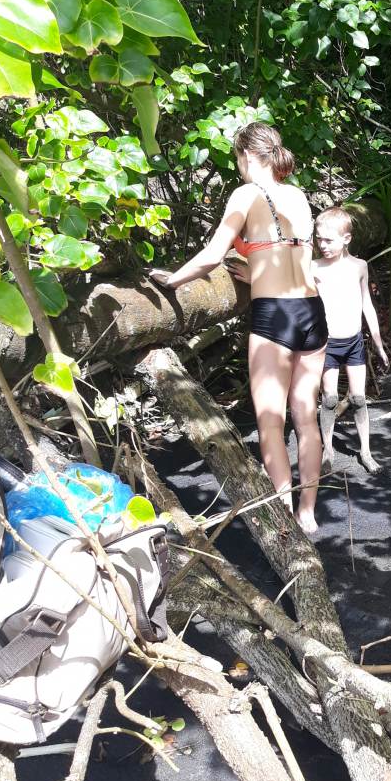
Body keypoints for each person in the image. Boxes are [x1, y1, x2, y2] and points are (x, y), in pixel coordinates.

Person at [146, 123, 326, 533]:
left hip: (275, 316)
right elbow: (286, 249)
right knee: (306, 418)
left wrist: (173, 280)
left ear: (246, 156)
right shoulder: (297, 195)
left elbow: (213, 254)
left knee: (270, 421)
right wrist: (256, 268)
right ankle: (308, 512)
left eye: (237, 159)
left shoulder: (245, 194)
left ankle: (283, 519)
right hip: (313, 313)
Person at [313, 206, 389, 474]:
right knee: (330, 398)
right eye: (319, 238)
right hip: (328, 344)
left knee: (358, 398)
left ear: (346, 239)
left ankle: (366, 452)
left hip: (355, 341)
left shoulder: (359, 266)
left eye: (329, 240)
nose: (323, 245)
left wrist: (379, 346)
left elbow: (367, 305)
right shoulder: (313, 268)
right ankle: (327, 450)